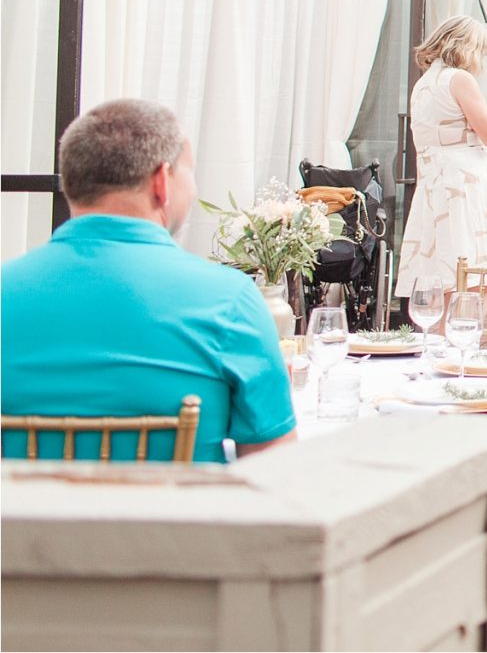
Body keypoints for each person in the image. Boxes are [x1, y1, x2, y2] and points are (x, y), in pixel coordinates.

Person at [1, 100, 296, 463]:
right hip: (172, 519)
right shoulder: (229, 301)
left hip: (20, 521)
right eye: (189, 172)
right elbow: (275, 468)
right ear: (162, 182)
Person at [397, 16, 487, 298]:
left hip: (436, 186)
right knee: (477, 278)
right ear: (467, 47)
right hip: (464, 187)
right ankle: (463, 338)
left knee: (443, 274)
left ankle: (441, 339)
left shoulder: (424, 84)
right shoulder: (459, 79)